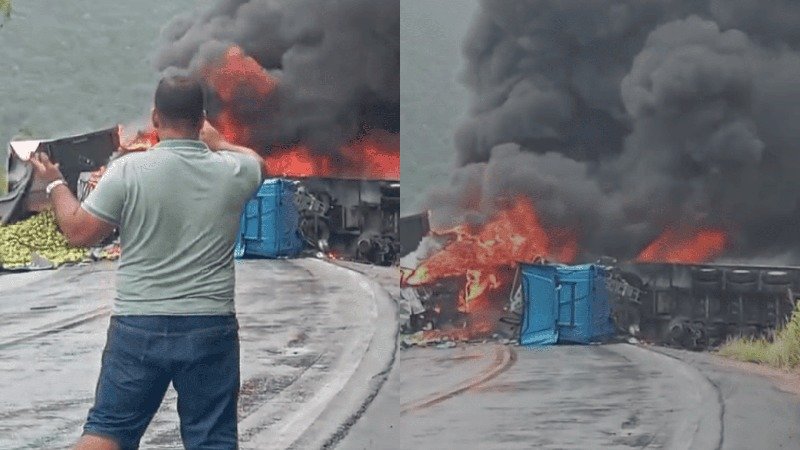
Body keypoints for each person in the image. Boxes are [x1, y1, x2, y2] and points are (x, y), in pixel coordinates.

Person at [29, 75, 267, 450]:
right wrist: (220, 142)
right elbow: (258, 163)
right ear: (202, 119)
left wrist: (55, 183)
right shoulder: (233, 171)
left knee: (108, 432)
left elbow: (78, 231)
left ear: (155, 118)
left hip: (138, 325)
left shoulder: (128, 171)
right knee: (212, 440)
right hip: (209, 325)